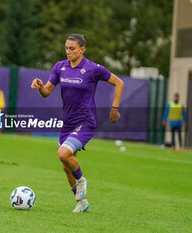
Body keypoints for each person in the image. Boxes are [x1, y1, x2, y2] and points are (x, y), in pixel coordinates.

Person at [31, 34, 124, 213]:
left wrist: (114, 108)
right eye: (66, 48)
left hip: (86, 121)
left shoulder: (93, 69)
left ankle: (81, 181)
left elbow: (119, 83)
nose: (68, 51)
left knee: (63, 154)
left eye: (72, 48)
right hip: (67, 123)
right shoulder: (60, 66)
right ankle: (82, 203)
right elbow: (47, 92)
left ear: (82, 49)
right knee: (66, 166)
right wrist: (40, 86)